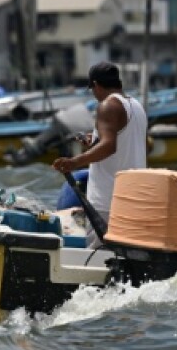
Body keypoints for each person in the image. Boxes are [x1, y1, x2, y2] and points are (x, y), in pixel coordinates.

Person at [51, 62, 147, 247]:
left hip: (107, 202)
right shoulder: (135, 105)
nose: (94, 95)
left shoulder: (107, 106)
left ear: (96, 84)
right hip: (134, 198)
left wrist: (74, 162)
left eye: (92, 89)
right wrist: (94, 139)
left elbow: (109, 146)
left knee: (99, 257)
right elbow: (122, 141)